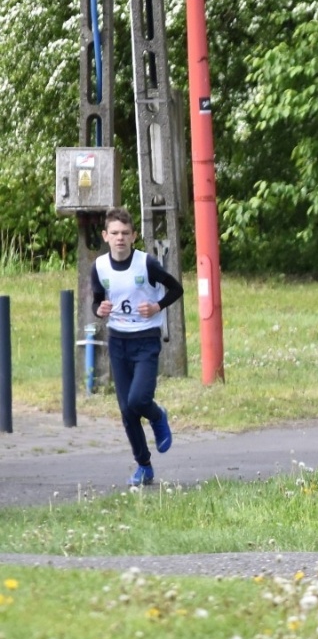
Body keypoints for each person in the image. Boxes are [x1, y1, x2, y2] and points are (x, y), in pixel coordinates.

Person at [92, 207, 183, 487]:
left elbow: (176, 289)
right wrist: (100, 309)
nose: (120, 238)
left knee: (138, 400)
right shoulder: (99, 266)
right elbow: (97, 300)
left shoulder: (147, 264)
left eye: (125, 233)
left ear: (133, 236)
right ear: (106, 236)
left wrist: (157, 306)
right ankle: (144, 466)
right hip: (118, 341)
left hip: (145, 339)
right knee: (126, 409)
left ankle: (158, 416)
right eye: (115, 233)